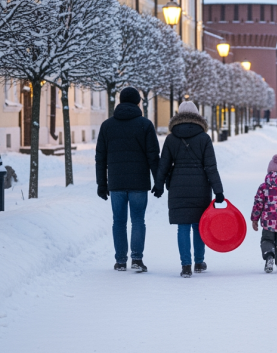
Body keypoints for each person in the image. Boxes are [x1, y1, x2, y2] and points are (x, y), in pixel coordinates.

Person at [153, 101, 224, 278]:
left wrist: (159, 184)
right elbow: (211, 167)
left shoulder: (171, 138)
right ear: (197, 116)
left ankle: (186, 266)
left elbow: (164, 164)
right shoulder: (204, 138)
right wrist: (218, 191)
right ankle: (199, 262)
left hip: (178, 187)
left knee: (183, 226)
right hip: (200, 187)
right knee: (199, 225)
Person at [95, 87, 160, 273]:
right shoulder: (145, 125)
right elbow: (153, 156)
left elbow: (100, 158)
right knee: (138, 220)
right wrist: (159, 181)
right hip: (139, 182)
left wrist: (102, 184)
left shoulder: (107, 126)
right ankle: (137, 259)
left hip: (116, 183)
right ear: (138, 102)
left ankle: (120, 261)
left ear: (120, 101)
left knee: (119, 222)